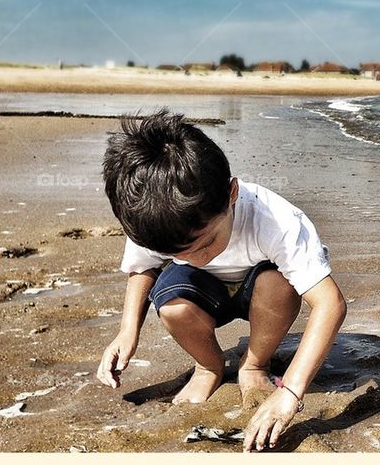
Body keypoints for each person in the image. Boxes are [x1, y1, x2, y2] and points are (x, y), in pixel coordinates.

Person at [96, 109, 346, 452]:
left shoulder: (276, 221)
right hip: (204, 293)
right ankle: (208, 366)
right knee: (171, 305)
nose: (199, 258)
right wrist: (128, 331)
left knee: (278, 282)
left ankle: (254, 364)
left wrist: (290, 391)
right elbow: (143, 269)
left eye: (207, 242)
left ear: (232, 194)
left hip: (262, 292)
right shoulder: (155, 220)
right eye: (180, 253)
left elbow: (330, 303)